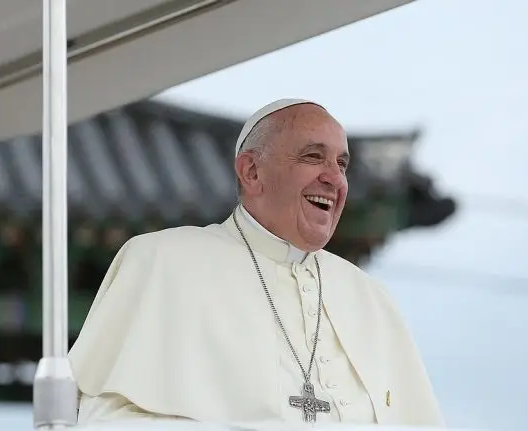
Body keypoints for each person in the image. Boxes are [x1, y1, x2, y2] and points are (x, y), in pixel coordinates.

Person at [68, 99, 445, 427]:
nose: (334, 178)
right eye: (313, 156)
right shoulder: (162, 261)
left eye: (342, 164)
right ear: (251, 171)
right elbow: (101, 422)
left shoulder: (371, 298)